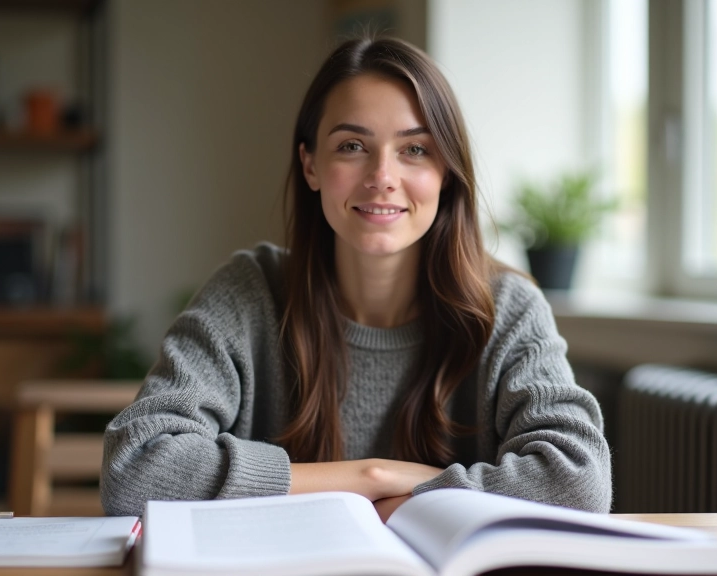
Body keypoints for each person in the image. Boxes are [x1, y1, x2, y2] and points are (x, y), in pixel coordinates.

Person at [101, 36, 612, 521]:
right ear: (310, 166)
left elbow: (579, 479)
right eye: (351, 146)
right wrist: (370, 478)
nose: (382, 176)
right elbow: (135, 468)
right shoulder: (249, 291)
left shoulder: (507, 306)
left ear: (446, 172)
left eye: (415, 150)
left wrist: (406, 488)